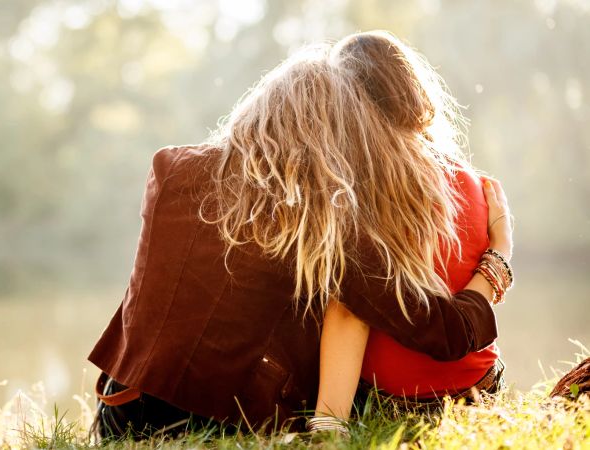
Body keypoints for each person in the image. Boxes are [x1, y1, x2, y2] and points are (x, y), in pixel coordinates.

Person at [88, 32, 513, 440]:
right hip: (225, 422)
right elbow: (446, 333)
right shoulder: (324, 216)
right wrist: (499, 256)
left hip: (122, 410)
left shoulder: (170, 168)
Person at [311, 32, 513, 434]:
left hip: (396, 403)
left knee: (341, 292)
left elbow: (350, 313)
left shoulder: (358, 190)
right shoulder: (473, 182)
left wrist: (329, 423)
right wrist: (504, 248)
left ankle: (329, 423)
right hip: (479, 387)